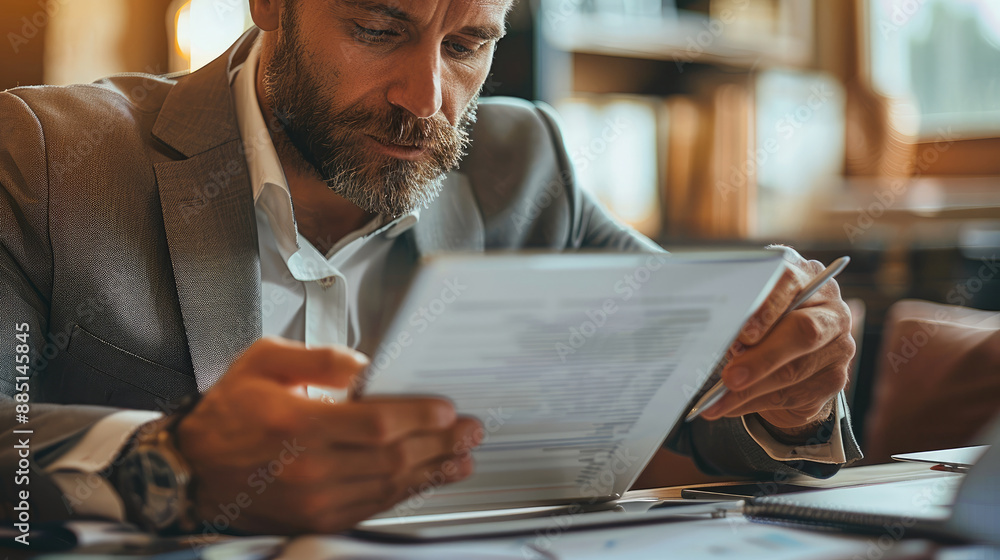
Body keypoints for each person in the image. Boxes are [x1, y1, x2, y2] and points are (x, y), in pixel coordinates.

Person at [0, 0, 860, 536]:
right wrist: (172, 461)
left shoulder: (521, 165)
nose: (427, 99)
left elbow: (706, 386)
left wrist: (790, 391)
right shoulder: (50, 160)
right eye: (380, 29)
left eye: (469, 45)